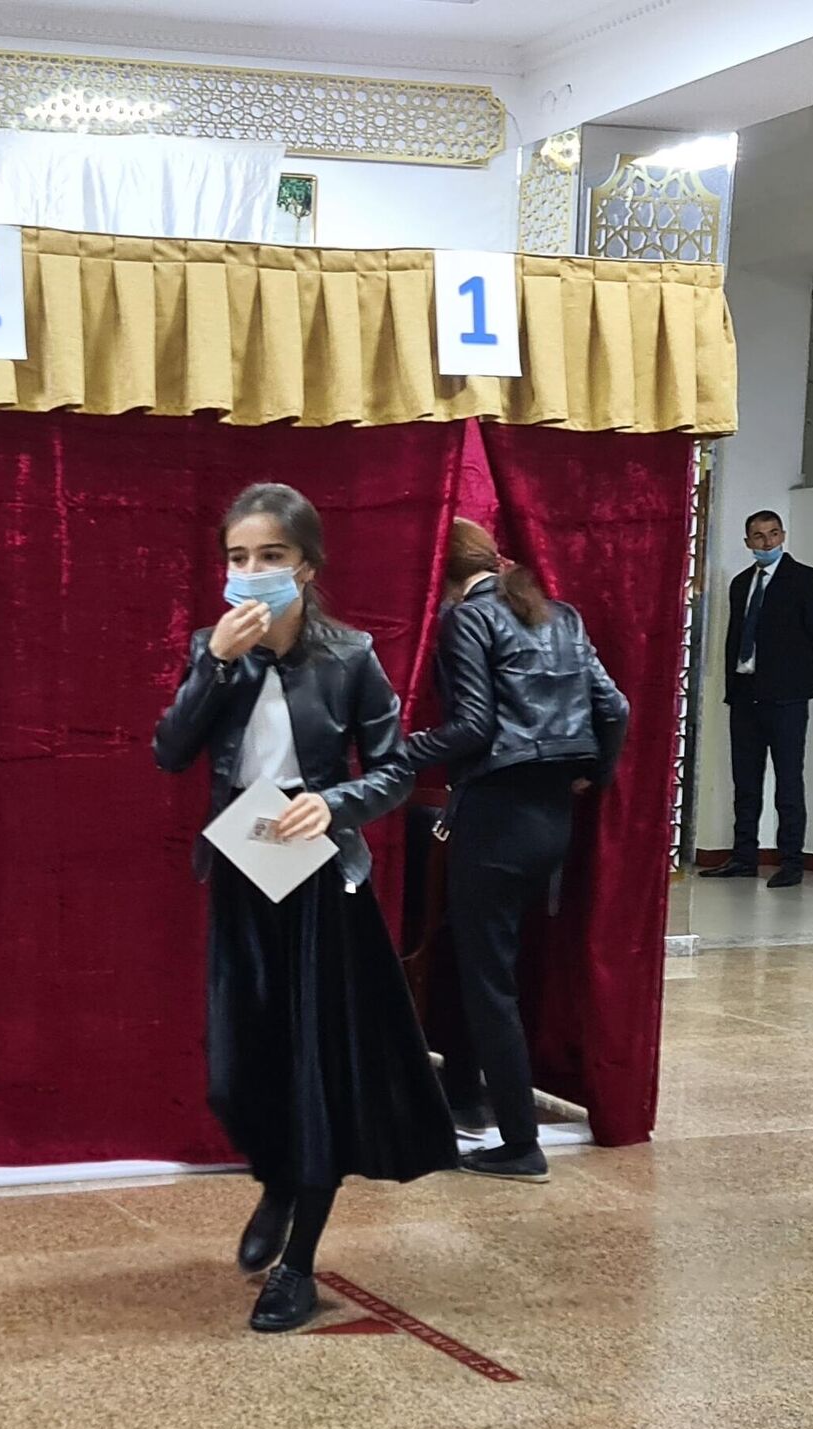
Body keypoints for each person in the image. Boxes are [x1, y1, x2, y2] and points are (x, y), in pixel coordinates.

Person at [153, 483, 457, 1335]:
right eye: (238, 557)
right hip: (242, 870)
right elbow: (171, 751)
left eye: (271, 556)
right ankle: (278, 1179)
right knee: (237, 1069)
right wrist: (215, 664)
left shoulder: (350, 655)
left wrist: (336, 802)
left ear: (307, 566)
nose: (251, 571)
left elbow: (395, 767)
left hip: (322, 879)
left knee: (316, 1072)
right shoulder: (211, 647)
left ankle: (298, 1264)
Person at [405, 519, 629, 1184]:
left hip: (495, 818)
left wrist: (397, 749)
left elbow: (473, 727)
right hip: (552, 818)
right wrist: (594, 775)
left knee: (488, 981)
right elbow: (614, 708)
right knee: (482, 963)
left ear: (442, 575)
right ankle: (473, 1100)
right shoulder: (562, 615)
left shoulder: (466, 620)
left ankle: (518, 1143)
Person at [699, 510, 813, 888]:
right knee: (745, 781)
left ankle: (791, 861)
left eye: (773, 534)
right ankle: (744, 856)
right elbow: (735, 636)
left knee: (788, 782)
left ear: (783, 536)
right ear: (748, 542)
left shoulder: (803, 579)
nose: (767, 542)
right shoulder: (742, 582)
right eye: (758, 537)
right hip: (746, 695)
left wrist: (802, 682)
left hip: (786, 699)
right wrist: (733, 686)